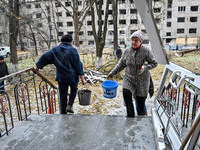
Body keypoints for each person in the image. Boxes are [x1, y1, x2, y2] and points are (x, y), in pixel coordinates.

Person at [108, 31, 158, 117]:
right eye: (132, 40)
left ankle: (141, 120)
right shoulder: (127, 51)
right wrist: (113, 72)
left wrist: (145, 67)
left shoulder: (146, 51)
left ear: (140, 41)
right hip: (129, 78)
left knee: (140, 106)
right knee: (126, 93)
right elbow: (121, 64)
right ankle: (130, 116)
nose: (133, 42)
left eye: (136, 40)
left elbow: (154, 63)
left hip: (142, 81)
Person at [35, 34, 86, 114]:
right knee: (74, 90)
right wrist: (82, 78)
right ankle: (70, 105)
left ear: (61, 41)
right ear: (70, 42)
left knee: (63, 95)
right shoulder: (73, 50)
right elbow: (78, 64)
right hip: (72, 76)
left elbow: (45, 56)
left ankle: (63, 112)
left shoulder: (55, 49)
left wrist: (38, 67)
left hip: (62, 77)